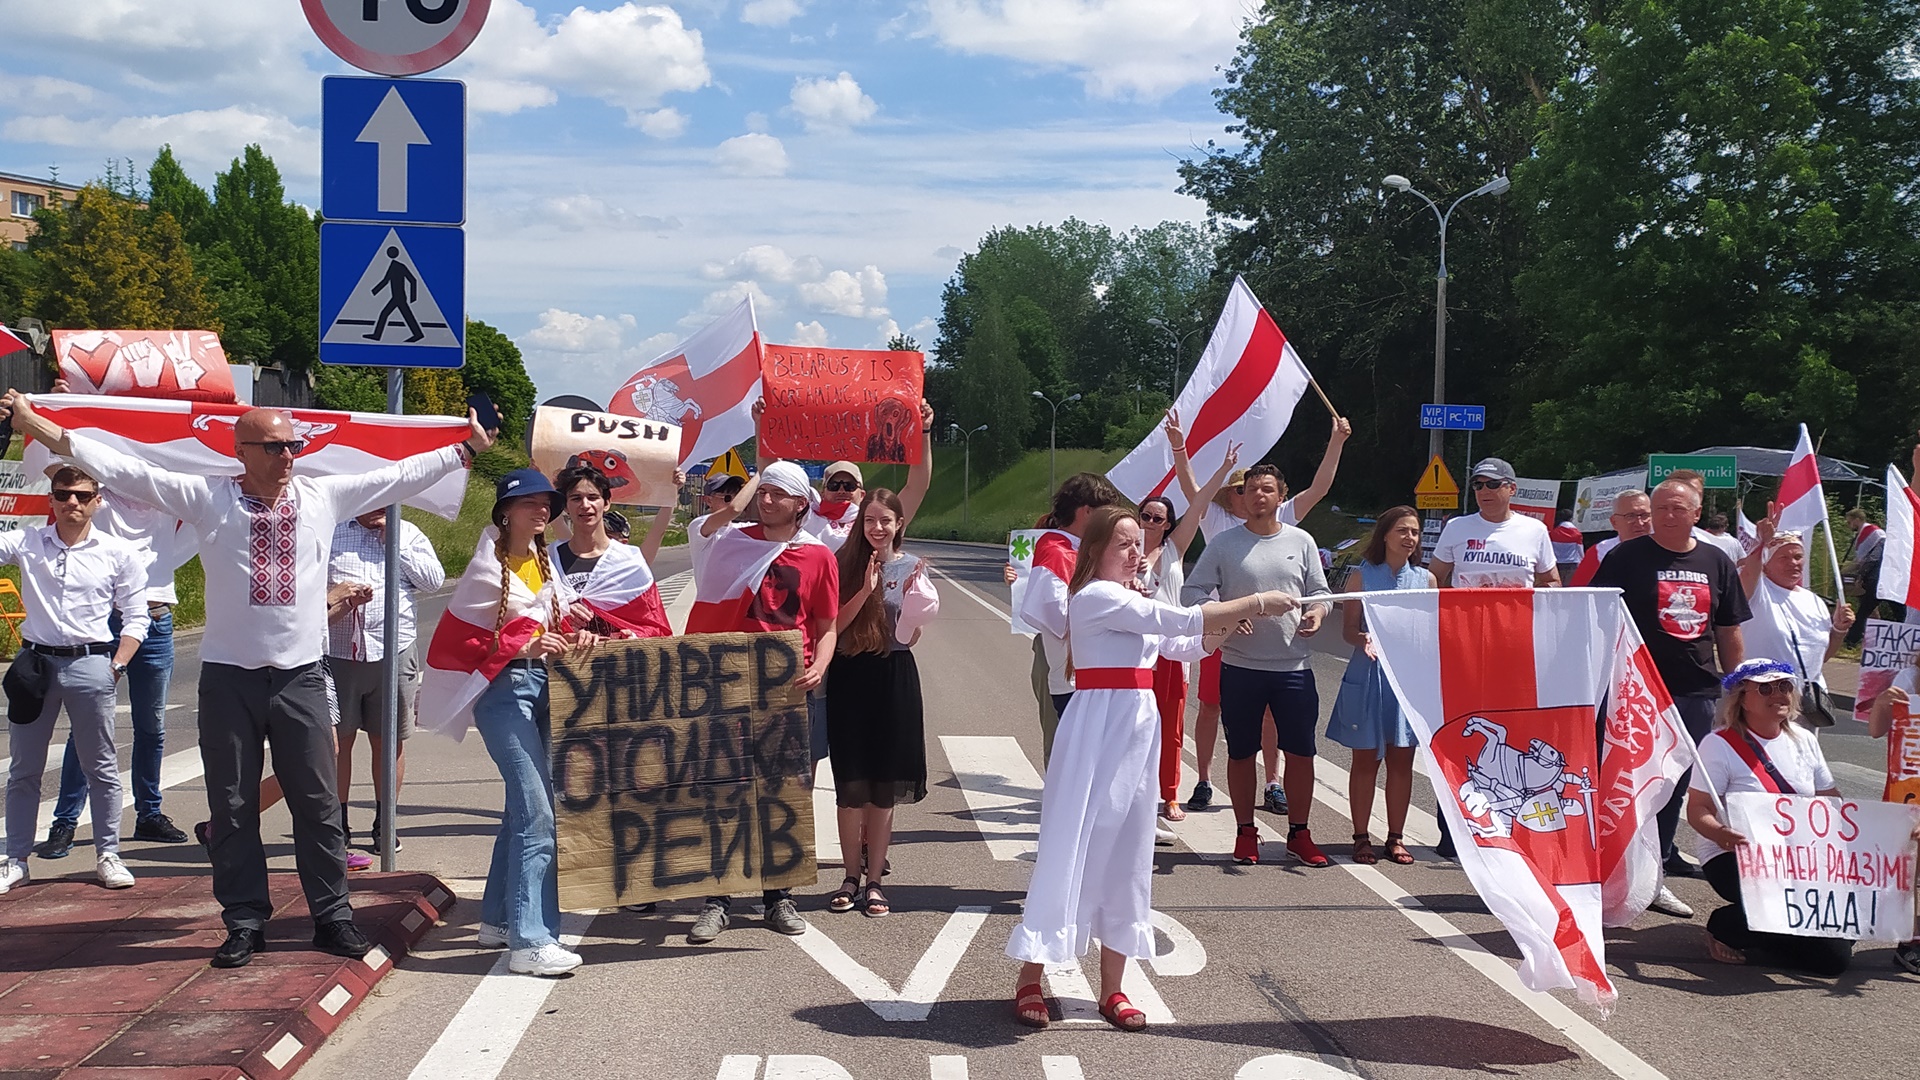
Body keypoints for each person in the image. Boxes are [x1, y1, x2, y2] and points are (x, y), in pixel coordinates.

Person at [2, 389, 495, 969]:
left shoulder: (324, 496)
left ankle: (332, 917)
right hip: (228, 678)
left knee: (317, 804)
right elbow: (123, 467)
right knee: (232, 806)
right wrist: (38, 424)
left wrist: (466, 448)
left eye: (293, 444)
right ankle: (242, 921)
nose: (288, 455)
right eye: (275, 446)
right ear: (241, 451)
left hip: (302, 677)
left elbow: (397, 476)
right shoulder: (208, 498)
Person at [1009, 505, 1298, 1031]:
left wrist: (1229, 625)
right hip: (1096, 725)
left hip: (1137, 730)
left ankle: (1112, 988)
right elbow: (1178, 620)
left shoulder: (1136, 597)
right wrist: (1254, 598)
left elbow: (1181, 644)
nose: (1136, 552)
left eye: (1138, 542)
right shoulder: (1095, 596)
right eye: (1123, 543)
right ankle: (1032, 976)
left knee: (1128, 852)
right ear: (1094, 552)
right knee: (1070, 846)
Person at [423, 469, 598, 976]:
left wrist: (572, 627)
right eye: (530, 503)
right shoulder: (486, 568)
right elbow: (458, 643)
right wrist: (526, 644)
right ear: (505, 510)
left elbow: (547, 621)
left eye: (547, 504)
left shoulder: (544, 562)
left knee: (521, 810)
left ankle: (499, 919)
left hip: (544, 689)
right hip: (505, 696)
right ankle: (531, 940)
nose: (543, 510)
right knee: (537, 814)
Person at [689, 460, 838, 942]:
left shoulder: (818, 556)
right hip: (729, 683)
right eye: (763, 491)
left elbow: (825, 625)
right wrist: (761, 460)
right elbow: (715, 520)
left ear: (801, 503)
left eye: (779, 494)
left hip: (787, 691)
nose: (767, 500)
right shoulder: (730, 541)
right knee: (726, 790)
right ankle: (719, 898)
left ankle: (780, 897)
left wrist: (821, 666)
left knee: (783, 794)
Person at [1173, 411, 1351, 814]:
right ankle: (1203, 780)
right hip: (1224, 634)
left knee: (1273, 718)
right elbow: (1191, 490)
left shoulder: (1288, 522)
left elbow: (1320, 488)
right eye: (1240, 490)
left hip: (1280, 649)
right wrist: (1180, 450)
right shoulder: (1217, 521)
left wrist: (1336, 441)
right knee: (1212, 708)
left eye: (1256, 489)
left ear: (1276, 496)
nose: (1247, 496)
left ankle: (1272, 782)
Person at [1593, 477, 1748, 917]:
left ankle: (1655, 876)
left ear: (1696, 514)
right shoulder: (1626, 557)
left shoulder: (1717, 561)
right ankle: (1608, 873)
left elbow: (1729, 629)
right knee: (1625, 783)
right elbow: (1598, 617)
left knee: (1676, 787)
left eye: (1677, 508)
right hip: (1635, 692)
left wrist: (1736, 689)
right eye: (1659, 507)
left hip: (1696, 691)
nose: (1665, 515)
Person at [0, 465, 149, 894]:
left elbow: (137, 618)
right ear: (51, 499)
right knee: (24, 768)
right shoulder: (29, 542)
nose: (73, 503)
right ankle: (16, 859)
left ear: (97, 501)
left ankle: (108, 853)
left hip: (91, 663)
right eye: (64, 495)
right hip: (36, 666)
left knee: (100, 767)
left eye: (83, 496)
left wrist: (116, 666)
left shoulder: (118, 553)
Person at [1181, 464, 1334, 867]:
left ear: (1281, 496)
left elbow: (1321, 592)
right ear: (1242, 497)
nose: (1258, 496)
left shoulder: (1301, 541)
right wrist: (1225, 616)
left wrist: (1317, 613)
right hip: (1241, 667)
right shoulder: (1225, 543)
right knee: (1242, 752)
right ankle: (1245, 831)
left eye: (1267, 489)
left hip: (1294, 668)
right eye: (1251, 490)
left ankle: (1299, 834)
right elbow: (1191, 592)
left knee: (1301, 753)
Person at [39, 484, 196, 858]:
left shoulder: (164, 497)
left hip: (155, 620)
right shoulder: (100, 497)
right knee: (86, 724)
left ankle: (149, 813)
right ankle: (65, 820)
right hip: (102, 622)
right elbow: (63, 460)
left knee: (151, 726)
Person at [1685, 659, 1853, 975]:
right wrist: (1721, 833)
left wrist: (1866, 832)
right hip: (1734, 856)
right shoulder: (1719, 745)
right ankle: (1725, 925)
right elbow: (1698, 809)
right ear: (1742, 697)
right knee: (1824, 948)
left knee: (1837, 953)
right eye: (1766, 688)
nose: (1778, 693)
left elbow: (1830, 801)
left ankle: (1772, 927)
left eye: (1785, 686)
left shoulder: (1804, 740)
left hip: (1796, 857)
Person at [824, 488, 939, 919]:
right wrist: (865, 589)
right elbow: (832, 627)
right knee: (851, 784)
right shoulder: (841, 562)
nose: (877, 528)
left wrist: (912, 602)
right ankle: (849, 877)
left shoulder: (913, 567)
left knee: (883, 786)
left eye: (885, 521)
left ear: (898, 524)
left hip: (894, 675)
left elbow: (911, 633)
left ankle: (874, 881)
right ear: (861, 523)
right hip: (850, 675)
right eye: (870, 520)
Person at [327, 506, 443, 855]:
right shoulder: (331, 530)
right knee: (337, 743)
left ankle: (385, 823)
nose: (380, 505)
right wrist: (340, 597)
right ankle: (338, 825)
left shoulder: (406, 532)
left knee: (388, 741)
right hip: (338, 651)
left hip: (393, 651)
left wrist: (394, 542)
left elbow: (433, 581)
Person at [1326, 506, 1433, 865]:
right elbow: (1348, 630)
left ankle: (1396, 837)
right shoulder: (1361, 577)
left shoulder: (1426, 580)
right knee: (1366, 759)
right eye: (1402, 530)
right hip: (1369, 675)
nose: (1409, 538)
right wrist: (1364, 640)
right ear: (1385, 534)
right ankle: (1361, 837)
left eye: (1415, 532)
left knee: (1402, 760)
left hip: (1405, 679)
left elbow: (1430, 633)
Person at [1018, 473, 1125, 764]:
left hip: (1090, 675)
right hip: (1077, 679)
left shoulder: (1078, 551)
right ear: (1086, 512)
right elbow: (1057, 617)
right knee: (1075, 759)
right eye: (1105, 515)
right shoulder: (1058, 551)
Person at [766, 401, 935, 552]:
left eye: (849, 486)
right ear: (823, 492)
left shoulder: (877, 522)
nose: (841, 490)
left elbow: (916, 488)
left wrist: (924, 431)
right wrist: (764, 425)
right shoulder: (806, 516)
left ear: (861, 494)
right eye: (834, 485)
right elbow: (773, 476)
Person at [1737, 503, 1853, 715]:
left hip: (1807, 705)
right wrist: (1761, 543)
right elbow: (1747, 574)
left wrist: (1838, 630)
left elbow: (1820, 656)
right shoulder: (1757, 592)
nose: (1793, 563)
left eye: (1798, 557)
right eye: (1784, 557)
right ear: (1766, 564)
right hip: (1763, 702)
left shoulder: (1814, 601)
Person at [552, 463, 673, 637]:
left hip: (617, 660)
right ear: (565, 506)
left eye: (593, 497)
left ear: (606, 503)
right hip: (561, 661)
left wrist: (631, 636)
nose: (585, 505)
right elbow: (530, 616)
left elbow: (654, 625)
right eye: (576, 498)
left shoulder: (630, 561)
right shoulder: (548, 560)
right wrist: (563, 611)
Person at [1430, 458, 1560, 589]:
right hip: (1467, 609)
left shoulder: (1536, 530)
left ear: (1512, 489)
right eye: (1478, 485)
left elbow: (1553, 582)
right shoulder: (1455, 527)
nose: (1484, 491)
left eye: (1493, 484)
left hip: (1518, 609)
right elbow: (1433, 578)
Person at [1868, 650, 1920, 972]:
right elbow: (1876, 731)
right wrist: (1881, 704)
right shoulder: (1908, 680)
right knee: (1911, 864)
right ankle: (1910, 939)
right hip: (1910, 785)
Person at [1569, 490, 1652, 587]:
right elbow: (1577, 593)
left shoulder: (1667, 547)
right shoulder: (1600, 552)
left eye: (1645, 515)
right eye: (1630, 516)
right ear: (1614, 522)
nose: (1640, 523)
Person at [1843, 507, 1891, 644]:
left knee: (1864, 612)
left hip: (1876, 579)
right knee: (1869, 610)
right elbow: (1862, 561)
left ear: (1857, 520)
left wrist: (1860, 575)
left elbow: (1869, 560)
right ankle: (1872, 638)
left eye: (1850, 522)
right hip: (1878, 579)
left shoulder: (1874, 535)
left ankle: (1852, 641)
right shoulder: (1868, 535)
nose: (1849, 525)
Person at [1550, 509, 1584, 585]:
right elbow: (1580, 551)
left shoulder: (1553, 533)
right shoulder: (1577, 534)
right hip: (1572, 564)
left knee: (1558, 586)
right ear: (1571, 519)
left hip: (1557, 564)